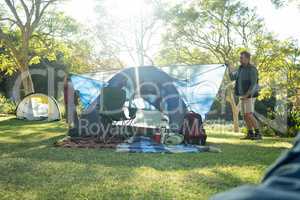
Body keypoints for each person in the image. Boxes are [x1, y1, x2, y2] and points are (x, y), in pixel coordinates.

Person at [227, 51, 262, 140]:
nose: (240, 59)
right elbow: (232, 77)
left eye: (241, 58)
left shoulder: (252, 69)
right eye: (240, 58)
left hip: (250, 95)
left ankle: (258, 134)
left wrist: (247, 95)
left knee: (249, 114)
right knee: (245, 115)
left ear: (247, 58)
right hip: (242, 95)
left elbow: (254, 84)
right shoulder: (240, 69)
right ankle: (250, 133)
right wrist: (228, 67)